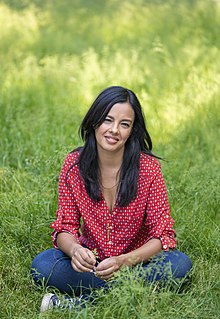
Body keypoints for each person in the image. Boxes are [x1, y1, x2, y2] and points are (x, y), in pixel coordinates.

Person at [31, 86, 192, 312]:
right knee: (43, 265)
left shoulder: (148, 169)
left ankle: (79, 303)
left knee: (180, 264)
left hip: (135, 263)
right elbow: (65, 228)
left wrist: (124, 261)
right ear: (95, 121)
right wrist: (75, 251)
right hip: (92, 264)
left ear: (132, 130)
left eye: (124, 124)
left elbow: (162, 236)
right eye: (108, 120)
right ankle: (126, 294)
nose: (114, 130)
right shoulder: (73, 166)